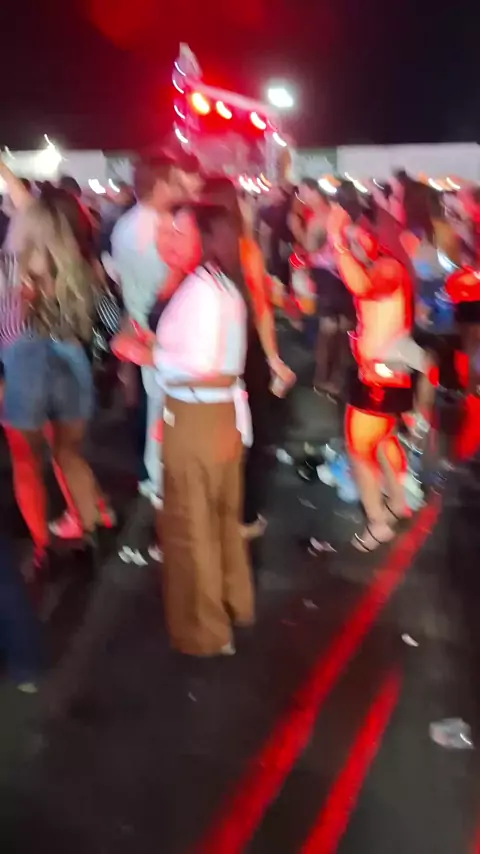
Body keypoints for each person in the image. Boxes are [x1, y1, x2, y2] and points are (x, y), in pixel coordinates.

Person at [142, 203, 255, 655]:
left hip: (197, 417)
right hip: (218, 416)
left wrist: (146, 353)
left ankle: (206, 630)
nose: (169, 239)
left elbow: (202, 364)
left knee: (192, 526)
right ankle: (232, 604)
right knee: (221, 519)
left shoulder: (203, 289)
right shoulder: (220, 285)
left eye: (180, 231)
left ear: (205, 239)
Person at [0, 160, 108, 571]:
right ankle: (90, 534)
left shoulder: (9, 271)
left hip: (23, 368)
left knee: (27, 462)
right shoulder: (80, 269)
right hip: (71, 364)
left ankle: (43, 548)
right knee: (69, 454)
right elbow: (107, 321)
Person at [328, 204, 426, 551]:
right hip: (383, 372)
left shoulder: (389, 267)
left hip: (381, 376)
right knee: (383, 440)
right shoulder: (388, 264)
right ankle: (397, 503)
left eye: (361, 233)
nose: (356, 240)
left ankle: (377, 522)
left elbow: (364, 286)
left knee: (359, 447)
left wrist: (338, 243)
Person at [201, 177, 295, 539]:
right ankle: (245, 516)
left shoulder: (195, 252)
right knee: (250, 433)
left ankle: (213, 511)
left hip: (208, 354)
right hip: (245, 352)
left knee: (213, 432)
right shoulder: (246, 249)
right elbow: (262, 310)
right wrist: (273, 358)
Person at [111, 156, 186, 505]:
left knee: (157, 405)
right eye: (175, 182)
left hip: (142, 325)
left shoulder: (123, 225)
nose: (180, 189)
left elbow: (120, 278)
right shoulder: (162, 229)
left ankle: (155, 477)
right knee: (165, 410)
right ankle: (161, 483)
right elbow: (168, 283)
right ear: (159, 186)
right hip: (162, 329)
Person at [296, 178, 355, 398]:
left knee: (328, 329)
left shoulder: (320, 219)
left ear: (315, 192)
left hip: (327, 278)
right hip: (344, 275)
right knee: (343, 329)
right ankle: (338, 379)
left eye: (304, 192)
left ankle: (322, 379)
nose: (302, 197)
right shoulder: (343, 215)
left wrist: (300, 232)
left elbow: (311, 248)